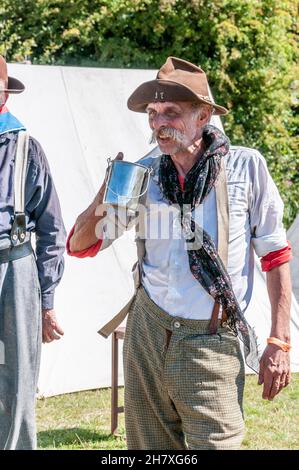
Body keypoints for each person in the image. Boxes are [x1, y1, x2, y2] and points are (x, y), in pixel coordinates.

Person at [68, 57, 292, 450]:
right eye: (152, 114)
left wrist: (279, 340)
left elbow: (275, 257)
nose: (158, 123)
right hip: (147, 333)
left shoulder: (244, 166)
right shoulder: (143, 173)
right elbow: (82, 245)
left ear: (203, 115)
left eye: (171, 112)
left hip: (212, 340)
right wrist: (106, 191)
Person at [0, 56, 66, 450]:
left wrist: (46, 299)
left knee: (19, 380)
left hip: (14, 268)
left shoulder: (26, 147)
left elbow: (52, 229)